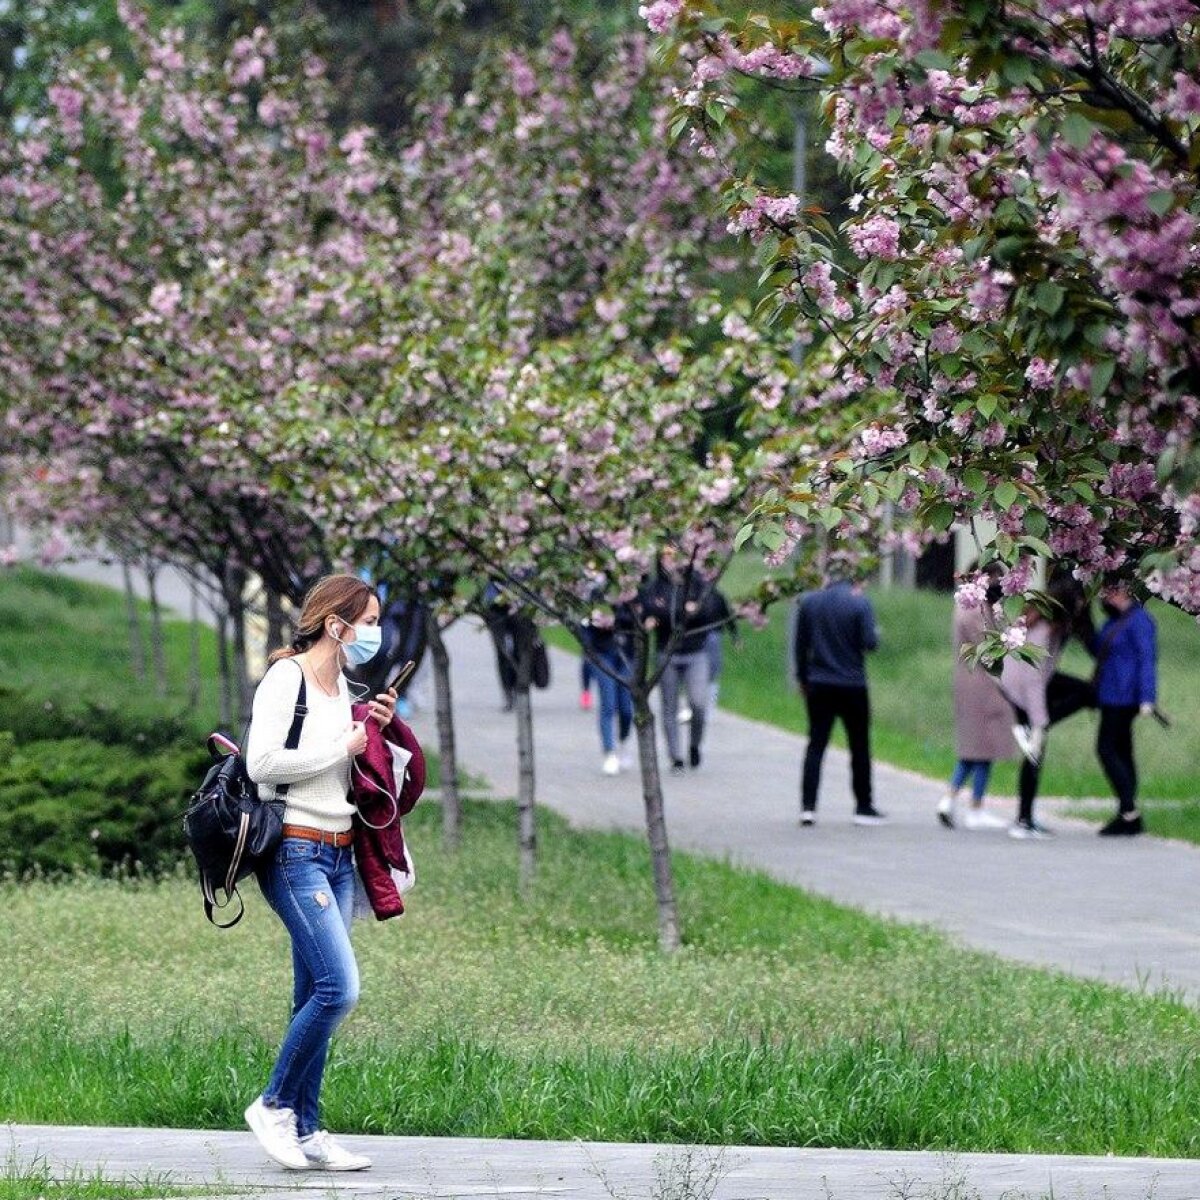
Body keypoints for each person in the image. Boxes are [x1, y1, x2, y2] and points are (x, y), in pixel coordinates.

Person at [243, 573, 396, 1172]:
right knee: (340, 988)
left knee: (313, 992)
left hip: (339, 854)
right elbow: (262, 765)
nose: (376, 634)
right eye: (370, 622)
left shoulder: (344, 691)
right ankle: (274, 1103)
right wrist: (345, 747)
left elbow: (351, 770)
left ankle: (307, 1130)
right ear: (337, 625)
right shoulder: (288, 678)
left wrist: (374, 732)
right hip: (296, 851)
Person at [999, 572, 1095, 839]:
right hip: (1021, 691)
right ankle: (1023, 820)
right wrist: (1040, 722)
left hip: (1029, 682)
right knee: (1035, 753)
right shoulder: (1042, 631)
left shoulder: (1050, 621)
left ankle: (1025, 817)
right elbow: (1033, 681)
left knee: (1086, 692)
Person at [793, 562, 885, 825]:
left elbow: (801, 646)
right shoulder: (860, 603)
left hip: (819, 683)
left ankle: (808, 807)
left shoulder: (810, 603)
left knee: (816, 744)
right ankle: (863, 806)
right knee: (859, 745)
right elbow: (869, 643)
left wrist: (802, 678)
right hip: (852, 683)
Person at [642, 555, 733, 773]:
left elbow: (710, 610)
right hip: (667, 652)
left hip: (695, 652)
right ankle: (675, 757)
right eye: (665, 557)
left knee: (698, 703)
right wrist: (681, 611)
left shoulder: (697, 583)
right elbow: (650, 609)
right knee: (669, 706)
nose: (670, 561)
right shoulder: (656, 587)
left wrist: (687, 611)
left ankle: (694, 744)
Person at [939, 567, 1014, 831]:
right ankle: (975, 806)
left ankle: (951, 799)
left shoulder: (969, 606)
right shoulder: (974, 610)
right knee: (983, 748)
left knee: (975, 748)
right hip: (981, 685)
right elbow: (987, 651)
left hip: (971, 684)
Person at [1089, 576, 1158, 837]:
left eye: (1109, 592)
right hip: (1110, 695)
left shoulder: (1140, 621)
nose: (1104, 597)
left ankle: (1129, 811)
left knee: (1106, 749)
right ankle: (1126, 813)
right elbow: (1100, 649)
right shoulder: (1114, 620)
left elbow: (1146, 659)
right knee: (1121, 751)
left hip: (1125, 697)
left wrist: (1147, 698)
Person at [581, 605, 634, 775]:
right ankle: (609, 752)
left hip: (627, 654)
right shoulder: (596, 593)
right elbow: (583, 623)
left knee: (626, 709)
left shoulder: (634, 594)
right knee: (608, 704)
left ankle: (623, 743)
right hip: (602, 653)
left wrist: (617, 620)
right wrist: (597, 621)